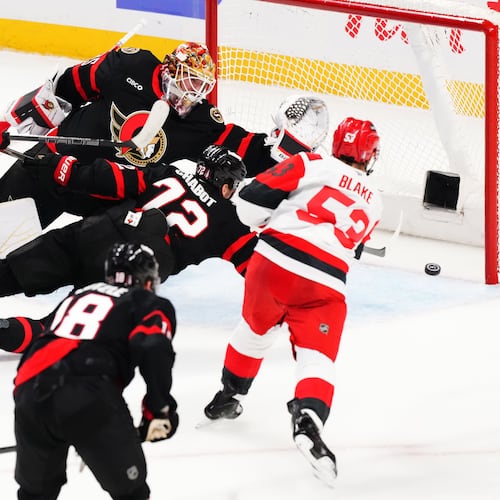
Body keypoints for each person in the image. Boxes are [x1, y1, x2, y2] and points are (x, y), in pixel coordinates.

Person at [202, 117, 383, 487]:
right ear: (370, 157)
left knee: (254, 329)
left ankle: (227, 395)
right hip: (324, 283)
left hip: (271, 263)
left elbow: (250, 202)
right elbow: (354, 244)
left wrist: (264, 219)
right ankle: (308, 419)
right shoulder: (376, 201)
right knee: (317, 358)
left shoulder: (311, 162)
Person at [0, 39, 329, 228]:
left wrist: (283, 148)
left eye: (201, 88)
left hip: (105, 201)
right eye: (188, 81)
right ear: (169, 70)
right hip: (52, 166)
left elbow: (244, 149)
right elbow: (65, 86)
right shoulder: (130, 68)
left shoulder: (200, 120)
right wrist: (9, 124)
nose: (192, 94)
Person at [13, 241, 178, 500]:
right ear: (147, 280)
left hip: (29, 390)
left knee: (35, 494)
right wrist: (158, 409)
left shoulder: (78, 296)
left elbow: (47, 340)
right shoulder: (146, 301)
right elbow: (152, 344)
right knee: (132, 493)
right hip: (87, 394)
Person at [0, 144, 253, 302]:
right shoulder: (229, 220)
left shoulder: (169, 173)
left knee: (15, 270)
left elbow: (110, 179)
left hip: (100, 228)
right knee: (64, 324)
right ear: (226, 184)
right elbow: (259, 265)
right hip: (134, 266)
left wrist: (58, 167)